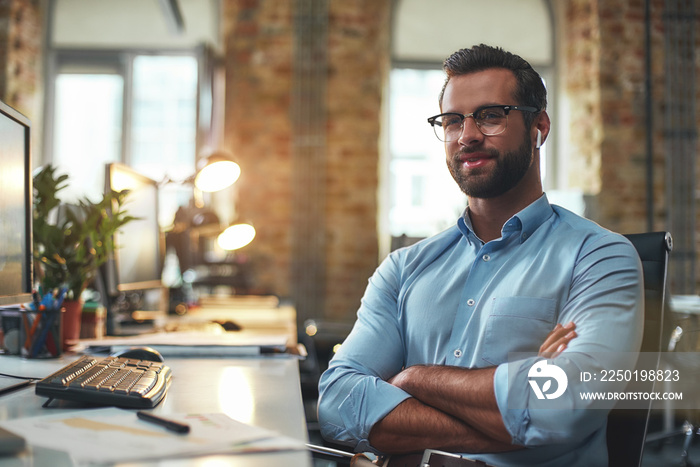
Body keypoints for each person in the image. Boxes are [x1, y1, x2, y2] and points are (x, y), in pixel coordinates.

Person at [317, 44, 644, 466]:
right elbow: (338, 400)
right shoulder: (403, 268)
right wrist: (517, 410)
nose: (467, 135)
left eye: (491, 115)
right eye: (452, 120)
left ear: (538, 127)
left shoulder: (599, 257)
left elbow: (567, 403)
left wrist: (413, 379)